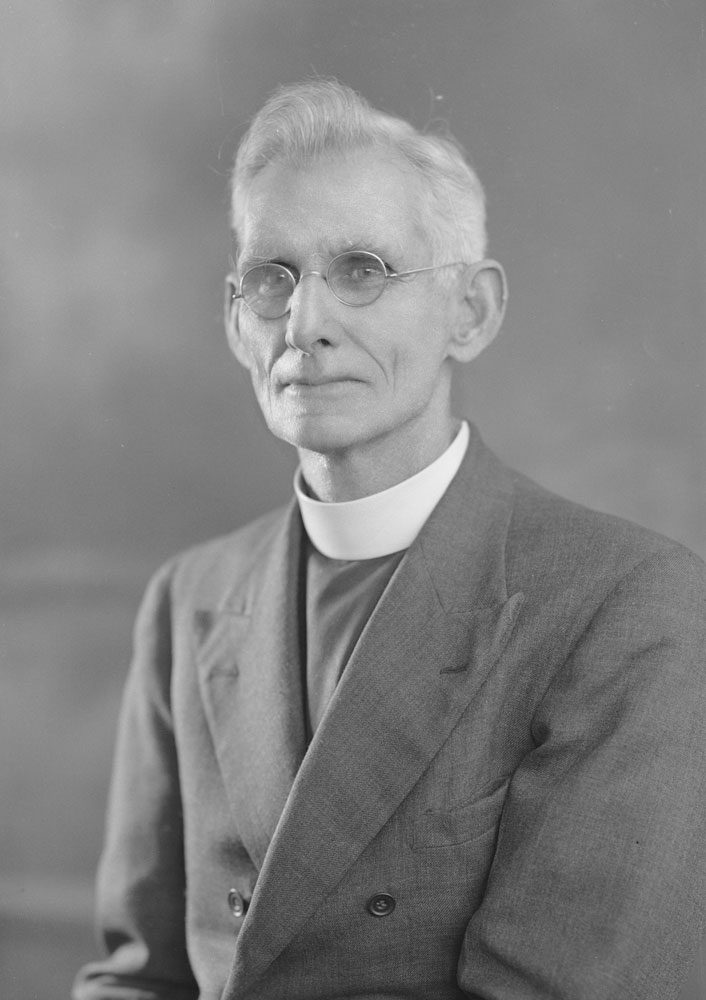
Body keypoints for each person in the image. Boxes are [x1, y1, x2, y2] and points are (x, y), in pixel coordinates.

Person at [74, 79, 706, 1000]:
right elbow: (137, 978)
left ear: (472, 313)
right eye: (271, 277)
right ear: (234, 317)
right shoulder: (189, 597)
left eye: (362, 269)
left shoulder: (627, 604)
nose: (306, 323)